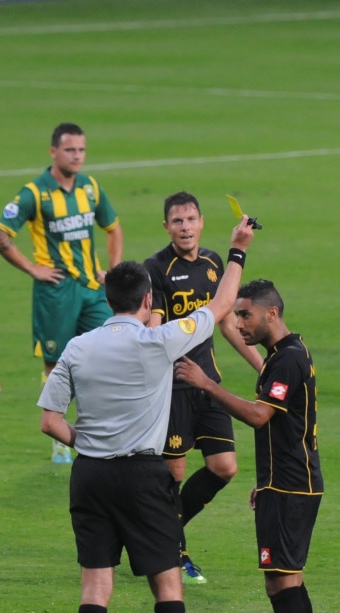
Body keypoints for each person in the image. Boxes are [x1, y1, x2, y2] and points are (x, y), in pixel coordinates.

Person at [38, 214, 255, 613]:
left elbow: (50, 422)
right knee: (167, 584)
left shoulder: (77, 347)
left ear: (109, 300)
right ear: (147, 302)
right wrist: (238, 251)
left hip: (90, 475)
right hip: (143, 475)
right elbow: (221, 306)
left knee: (95, 587)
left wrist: (86, 443)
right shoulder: (160, 342)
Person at [174, 279, 324, 613]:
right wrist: (267, 478)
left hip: (291, 488)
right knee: (289, 581)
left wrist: (207, 384)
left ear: (271, 314)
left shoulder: (286, 361)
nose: (238, 323)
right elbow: (288, 424)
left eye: (245, 315)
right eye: (237, 315)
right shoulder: (288, 354)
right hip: (288, 482)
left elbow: (260, 416)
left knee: (281, 586)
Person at [145, 192, 263, 586]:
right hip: (175, 385)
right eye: (177, 221)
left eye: (191, 219)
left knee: (224, 467)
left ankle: (158, 536)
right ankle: (174, 551)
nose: (185, 227)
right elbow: (155, 328)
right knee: (173, 472)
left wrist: (262, 364)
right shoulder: (156, 268)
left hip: (208, 382)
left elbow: (225, 321)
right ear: (166, 227)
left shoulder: (215, 263)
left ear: (202, 221)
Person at [0, 122, 123, 464]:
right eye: (70, 150)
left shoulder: (90, 188)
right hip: (55, 292)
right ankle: (59, 437)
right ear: (53, 152)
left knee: (108, 350)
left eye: (81, 150)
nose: (77, 156)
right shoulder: (34, 193)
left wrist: (113, 270)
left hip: (92, 290)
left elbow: (113, 227)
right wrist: (33, 269)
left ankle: (100, 427)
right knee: (56, 363)